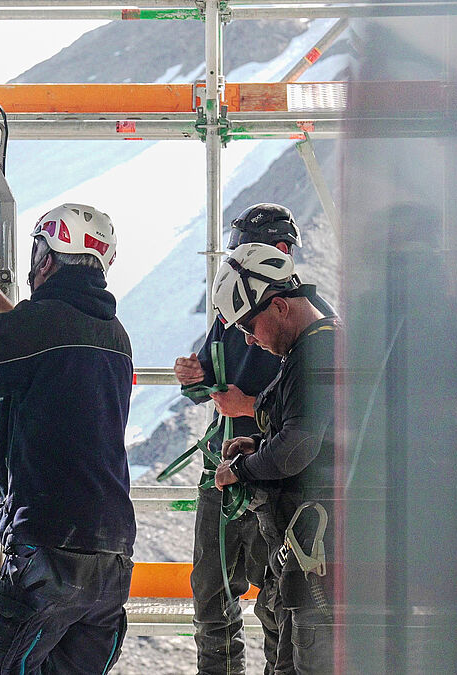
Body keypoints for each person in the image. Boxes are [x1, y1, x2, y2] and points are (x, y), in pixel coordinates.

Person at [0, 203, 135, 674]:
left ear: (45, 260)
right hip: (111, 563)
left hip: (51, 554)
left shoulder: (44, 327)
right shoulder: (112, 335)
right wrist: (7, 313)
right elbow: (49, 354)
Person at [173, 203, 328, 674]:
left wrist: (249, 422)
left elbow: (300, 431)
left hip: (275, 486)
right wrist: (195, 380)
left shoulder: (303, 332)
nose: (248, 338)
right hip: (244, 477)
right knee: (214, 596)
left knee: (280, 607)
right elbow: (225, 386)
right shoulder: (247, 317)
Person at [211, 242, 341, 675]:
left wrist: (241, 470)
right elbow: (299, 431)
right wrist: (259, 447)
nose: (249, 339)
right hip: (308, 560)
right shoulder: (312, 347)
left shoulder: (317, 351)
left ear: (280, 306)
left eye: (250, 325)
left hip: (321, 557)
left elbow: (298, 447)